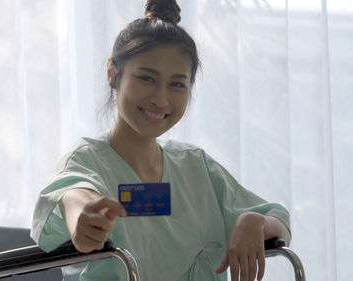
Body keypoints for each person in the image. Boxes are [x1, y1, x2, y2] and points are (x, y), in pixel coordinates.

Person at [31, 0, 291, 280]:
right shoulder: (87, 161)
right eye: (146, 78)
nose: (161, 99)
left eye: (177, 84)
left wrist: (255, 222)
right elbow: (73, 195)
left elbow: (281, 223)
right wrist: (81, 215)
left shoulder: (196, 168)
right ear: (112, 74)